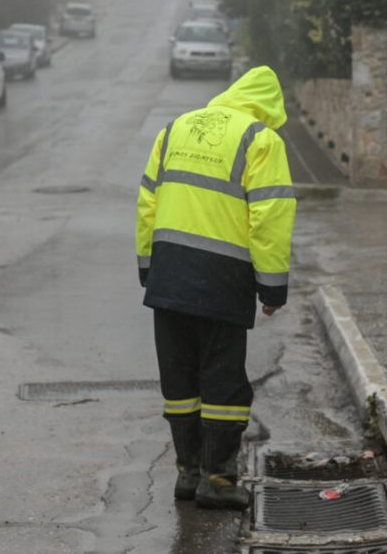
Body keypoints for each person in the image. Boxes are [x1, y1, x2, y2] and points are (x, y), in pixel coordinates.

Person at [135, 66, 296, 510]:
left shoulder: (176, 128)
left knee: (180, 378)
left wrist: (148, 265)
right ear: (267, 108)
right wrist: (272, 286)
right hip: (222, 280)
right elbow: (269, 217)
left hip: (169, 274)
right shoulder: (261, 139)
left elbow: (148, 201)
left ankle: (187, 474)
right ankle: (219, 479)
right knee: (222, 383)